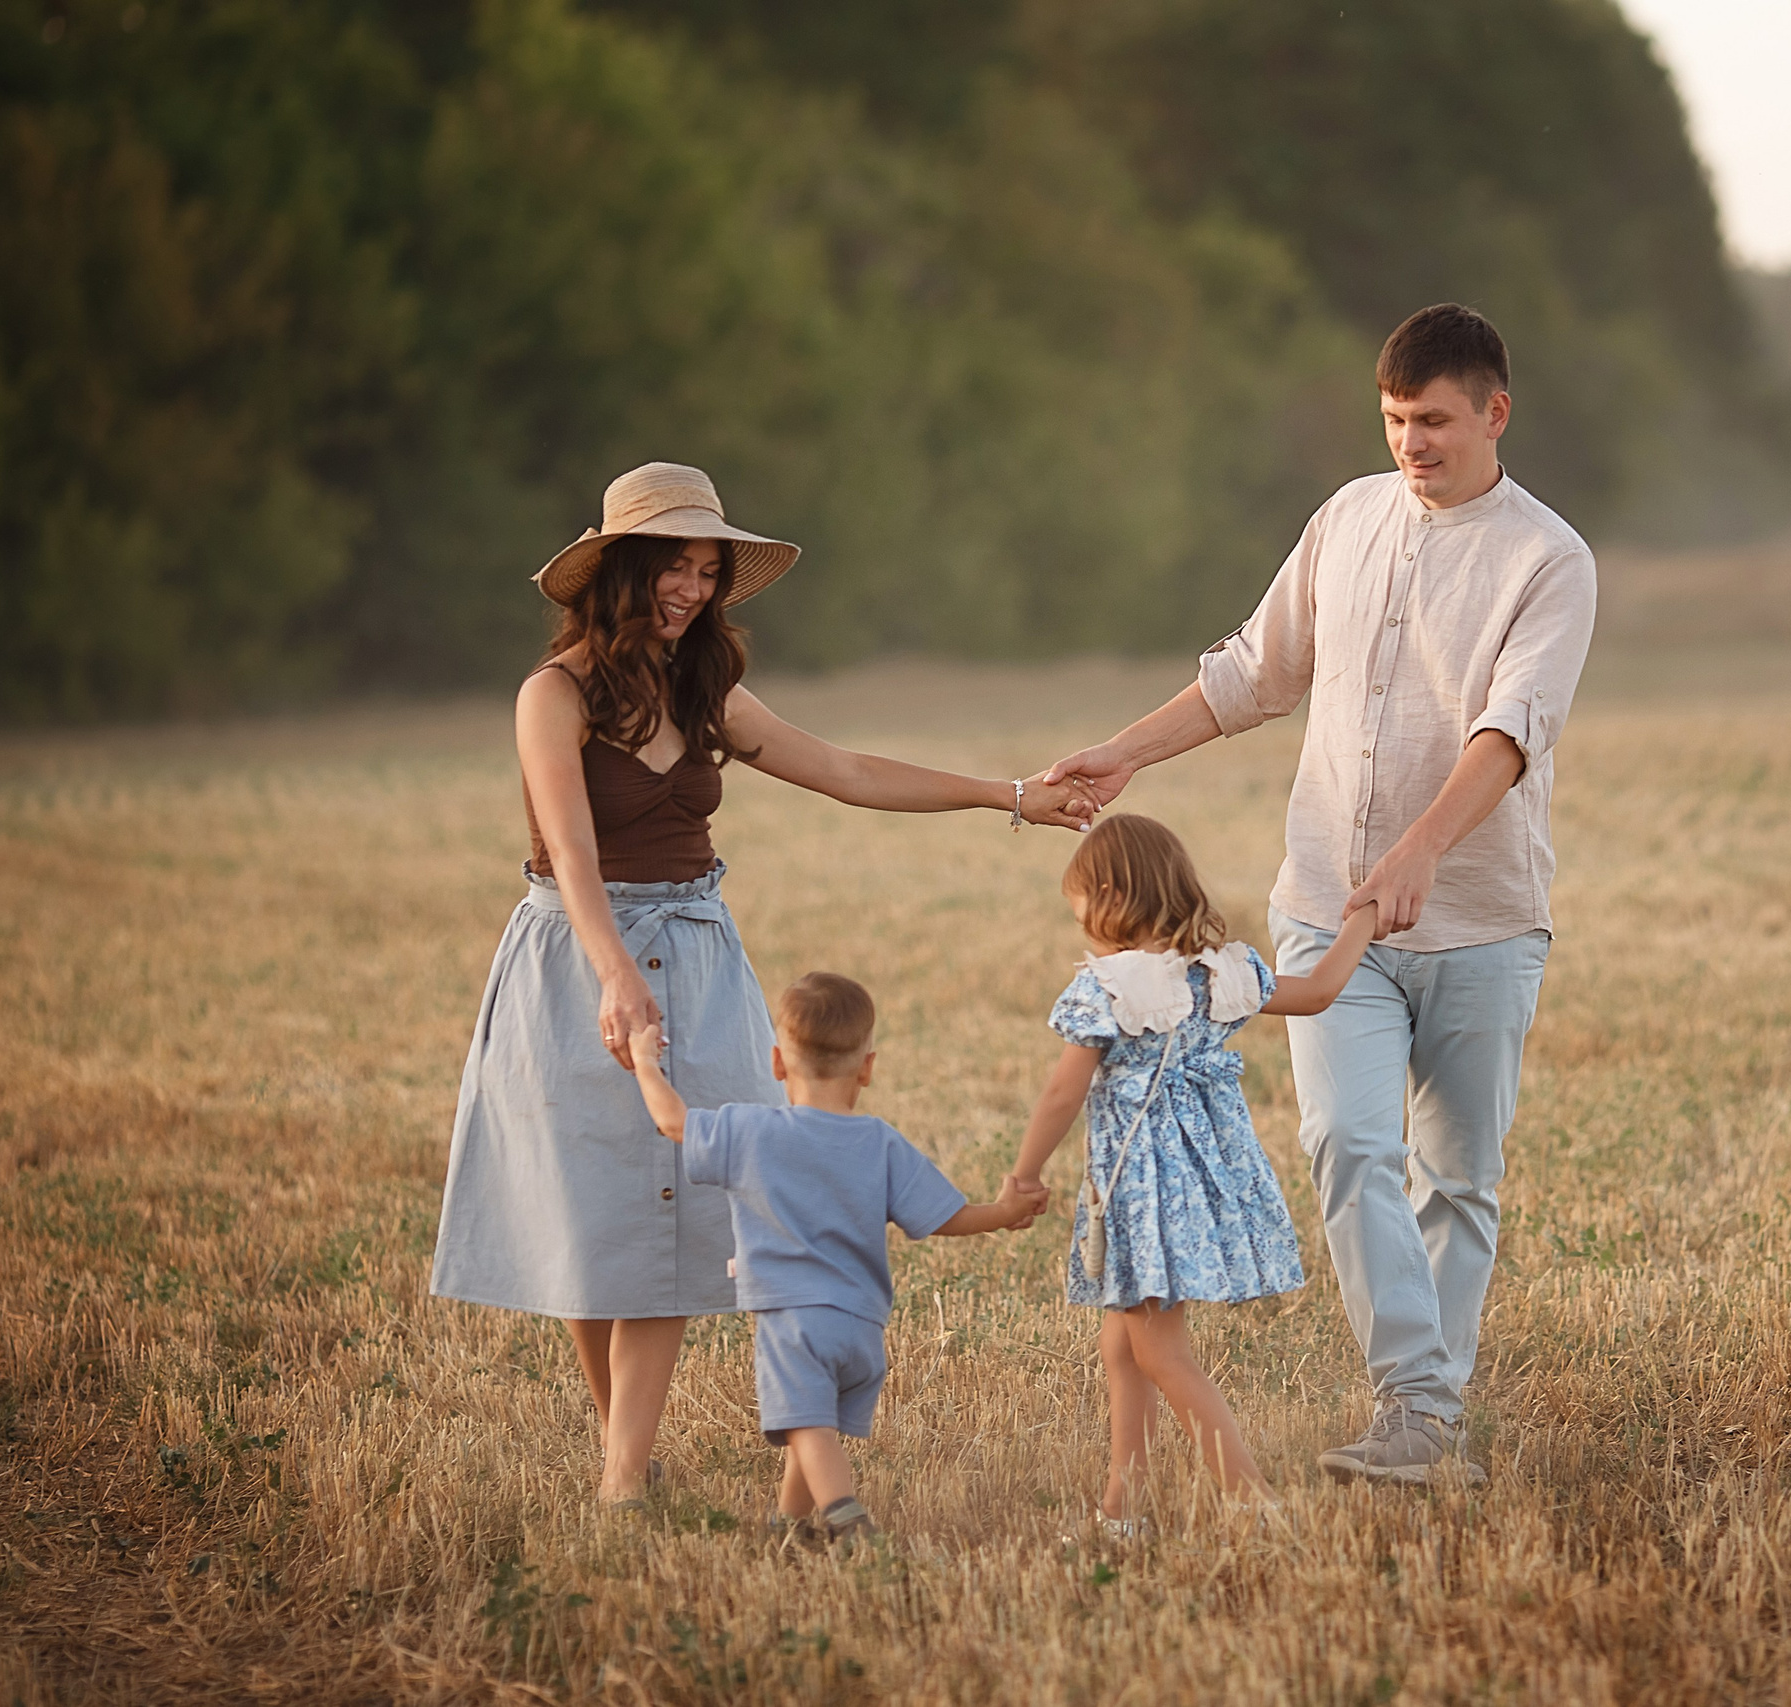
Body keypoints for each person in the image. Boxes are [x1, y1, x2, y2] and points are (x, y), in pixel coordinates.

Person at [429, 461, 1091, 1501]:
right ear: (618, 571)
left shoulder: (705, 689)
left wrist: (1007, 795)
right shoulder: (549, 696)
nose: (692, 590)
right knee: (590, 1216)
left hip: (693, 954)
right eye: (672, 569)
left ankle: (622, 1478)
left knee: (675, 1211)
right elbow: (571, 852)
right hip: (571, 957)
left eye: (706, 571)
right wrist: (613, 978)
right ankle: (623, 1451)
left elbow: (845, 770)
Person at [1045, 305, 1596, 1485]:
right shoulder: (1346, 519)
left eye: (1436, 422)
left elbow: (1511, 733)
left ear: (1495, 413)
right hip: (1321, 907)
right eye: (1396, 420)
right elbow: (1253, 674)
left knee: (1457, 1175)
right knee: (1350, 1143)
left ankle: (1426, 1426)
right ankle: (1416, 1401)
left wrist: (1422, 852)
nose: (1413, 444)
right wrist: (1129, 751)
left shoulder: (1549, 559)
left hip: (1480, 921)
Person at [1006, 815, 1380, 1533]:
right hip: (1200, 1190)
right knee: (1123, 1343)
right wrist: (1362, 920)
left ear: (1111, 894)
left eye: (1079, 901)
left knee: (1160, 1352)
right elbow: (1321, 990)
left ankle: (1254, 1503)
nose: (1077, 917)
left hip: (1141, 1196)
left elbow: (1063, 1093)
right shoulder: (1222, 974)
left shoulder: (1109, 987)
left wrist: (1024, 1173)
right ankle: (1124, 1507)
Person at [628, 973, 1044, 1549]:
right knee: (813, 1425)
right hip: (861, 1325)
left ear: (777, 1062)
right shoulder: (881, 1142)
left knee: (807, 1427)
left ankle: (847, 1519)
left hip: (793, 1319)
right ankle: (789, 1528)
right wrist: (1003, 1211)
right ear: (867, 1069)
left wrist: (645, 1062)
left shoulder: (752, 1131)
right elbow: (944, 1216)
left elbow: (673, 1122)